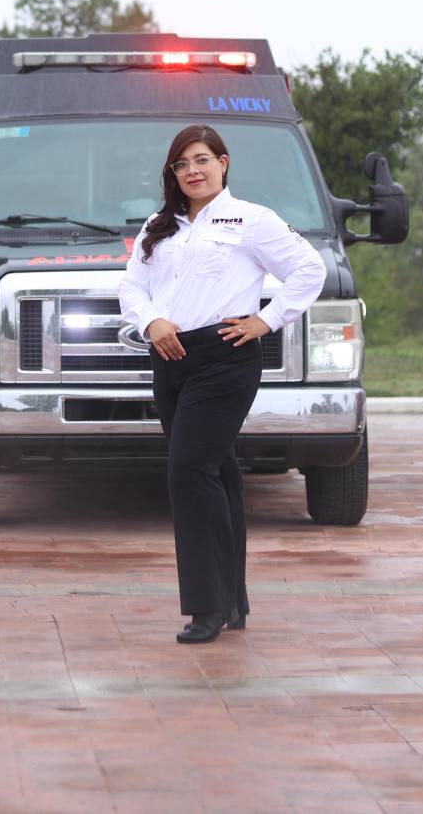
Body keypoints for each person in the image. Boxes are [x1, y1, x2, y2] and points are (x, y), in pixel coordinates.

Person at [117, 123, 326, 644]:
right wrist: (151, 321)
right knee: (216, 472)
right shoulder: (158, 226)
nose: (193, 171)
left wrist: (266, 320)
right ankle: (232, 601)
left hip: (224, 359)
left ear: (223, 163)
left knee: (189, 470)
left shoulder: (252, 220)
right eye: (182, 163)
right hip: (170, 358)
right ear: (173, 172)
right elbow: (132, 285)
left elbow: (309, 268)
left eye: (202, 160)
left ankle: (207, 606)